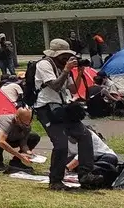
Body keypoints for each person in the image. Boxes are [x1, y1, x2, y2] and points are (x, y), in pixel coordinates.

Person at [34, 38, 94, 191]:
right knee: (61, 144)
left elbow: (73, 90)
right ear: (55, 54)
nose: (66, 58)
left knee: (85, 135)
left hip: (62, 106)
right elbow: (54, 86)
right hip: (46, 108)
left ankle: (85, 175)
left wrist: (79, 73)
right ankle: (55, 181)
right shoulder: (44, 64)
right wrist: (67, 69)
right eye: (63, 55)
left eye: (68, 55)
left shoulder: (63, 67)